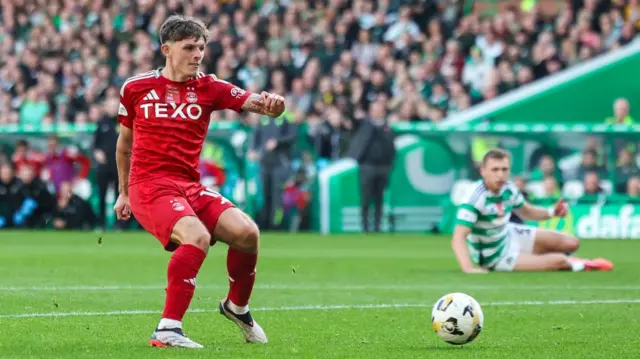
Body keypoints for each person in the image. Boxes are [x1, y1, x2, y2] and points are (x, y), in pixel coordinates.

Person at [113, 15, 285, 349]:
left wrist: (275, 107)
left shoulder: (209, 87)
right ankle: (168, 328)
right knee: (197, 236)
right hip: (148, 185)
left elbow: (257, 104)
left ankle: (237, 307)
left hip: (189, 186)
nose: (198, 55)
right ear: (166, 49)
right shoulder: (135, 88)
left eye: (201, 48)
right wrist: (123, 194)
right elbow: (124, 145)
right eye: (189, 47)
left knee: (247, 233)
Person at [451, 149, 613, 273]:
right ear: (483, 171)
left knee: (572, 242)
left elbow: (526, 212)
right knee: (559, 262)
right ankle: (581, 264)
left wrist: (552, 212)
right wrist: (468, 269)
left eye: (504, 169)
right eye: (495, 170)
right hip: (493, 255)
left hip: (508, 234)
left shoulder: (509, 188)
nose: (500, 175)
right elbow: (458, 237)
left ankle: (562, 258)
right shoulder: (475, 197)